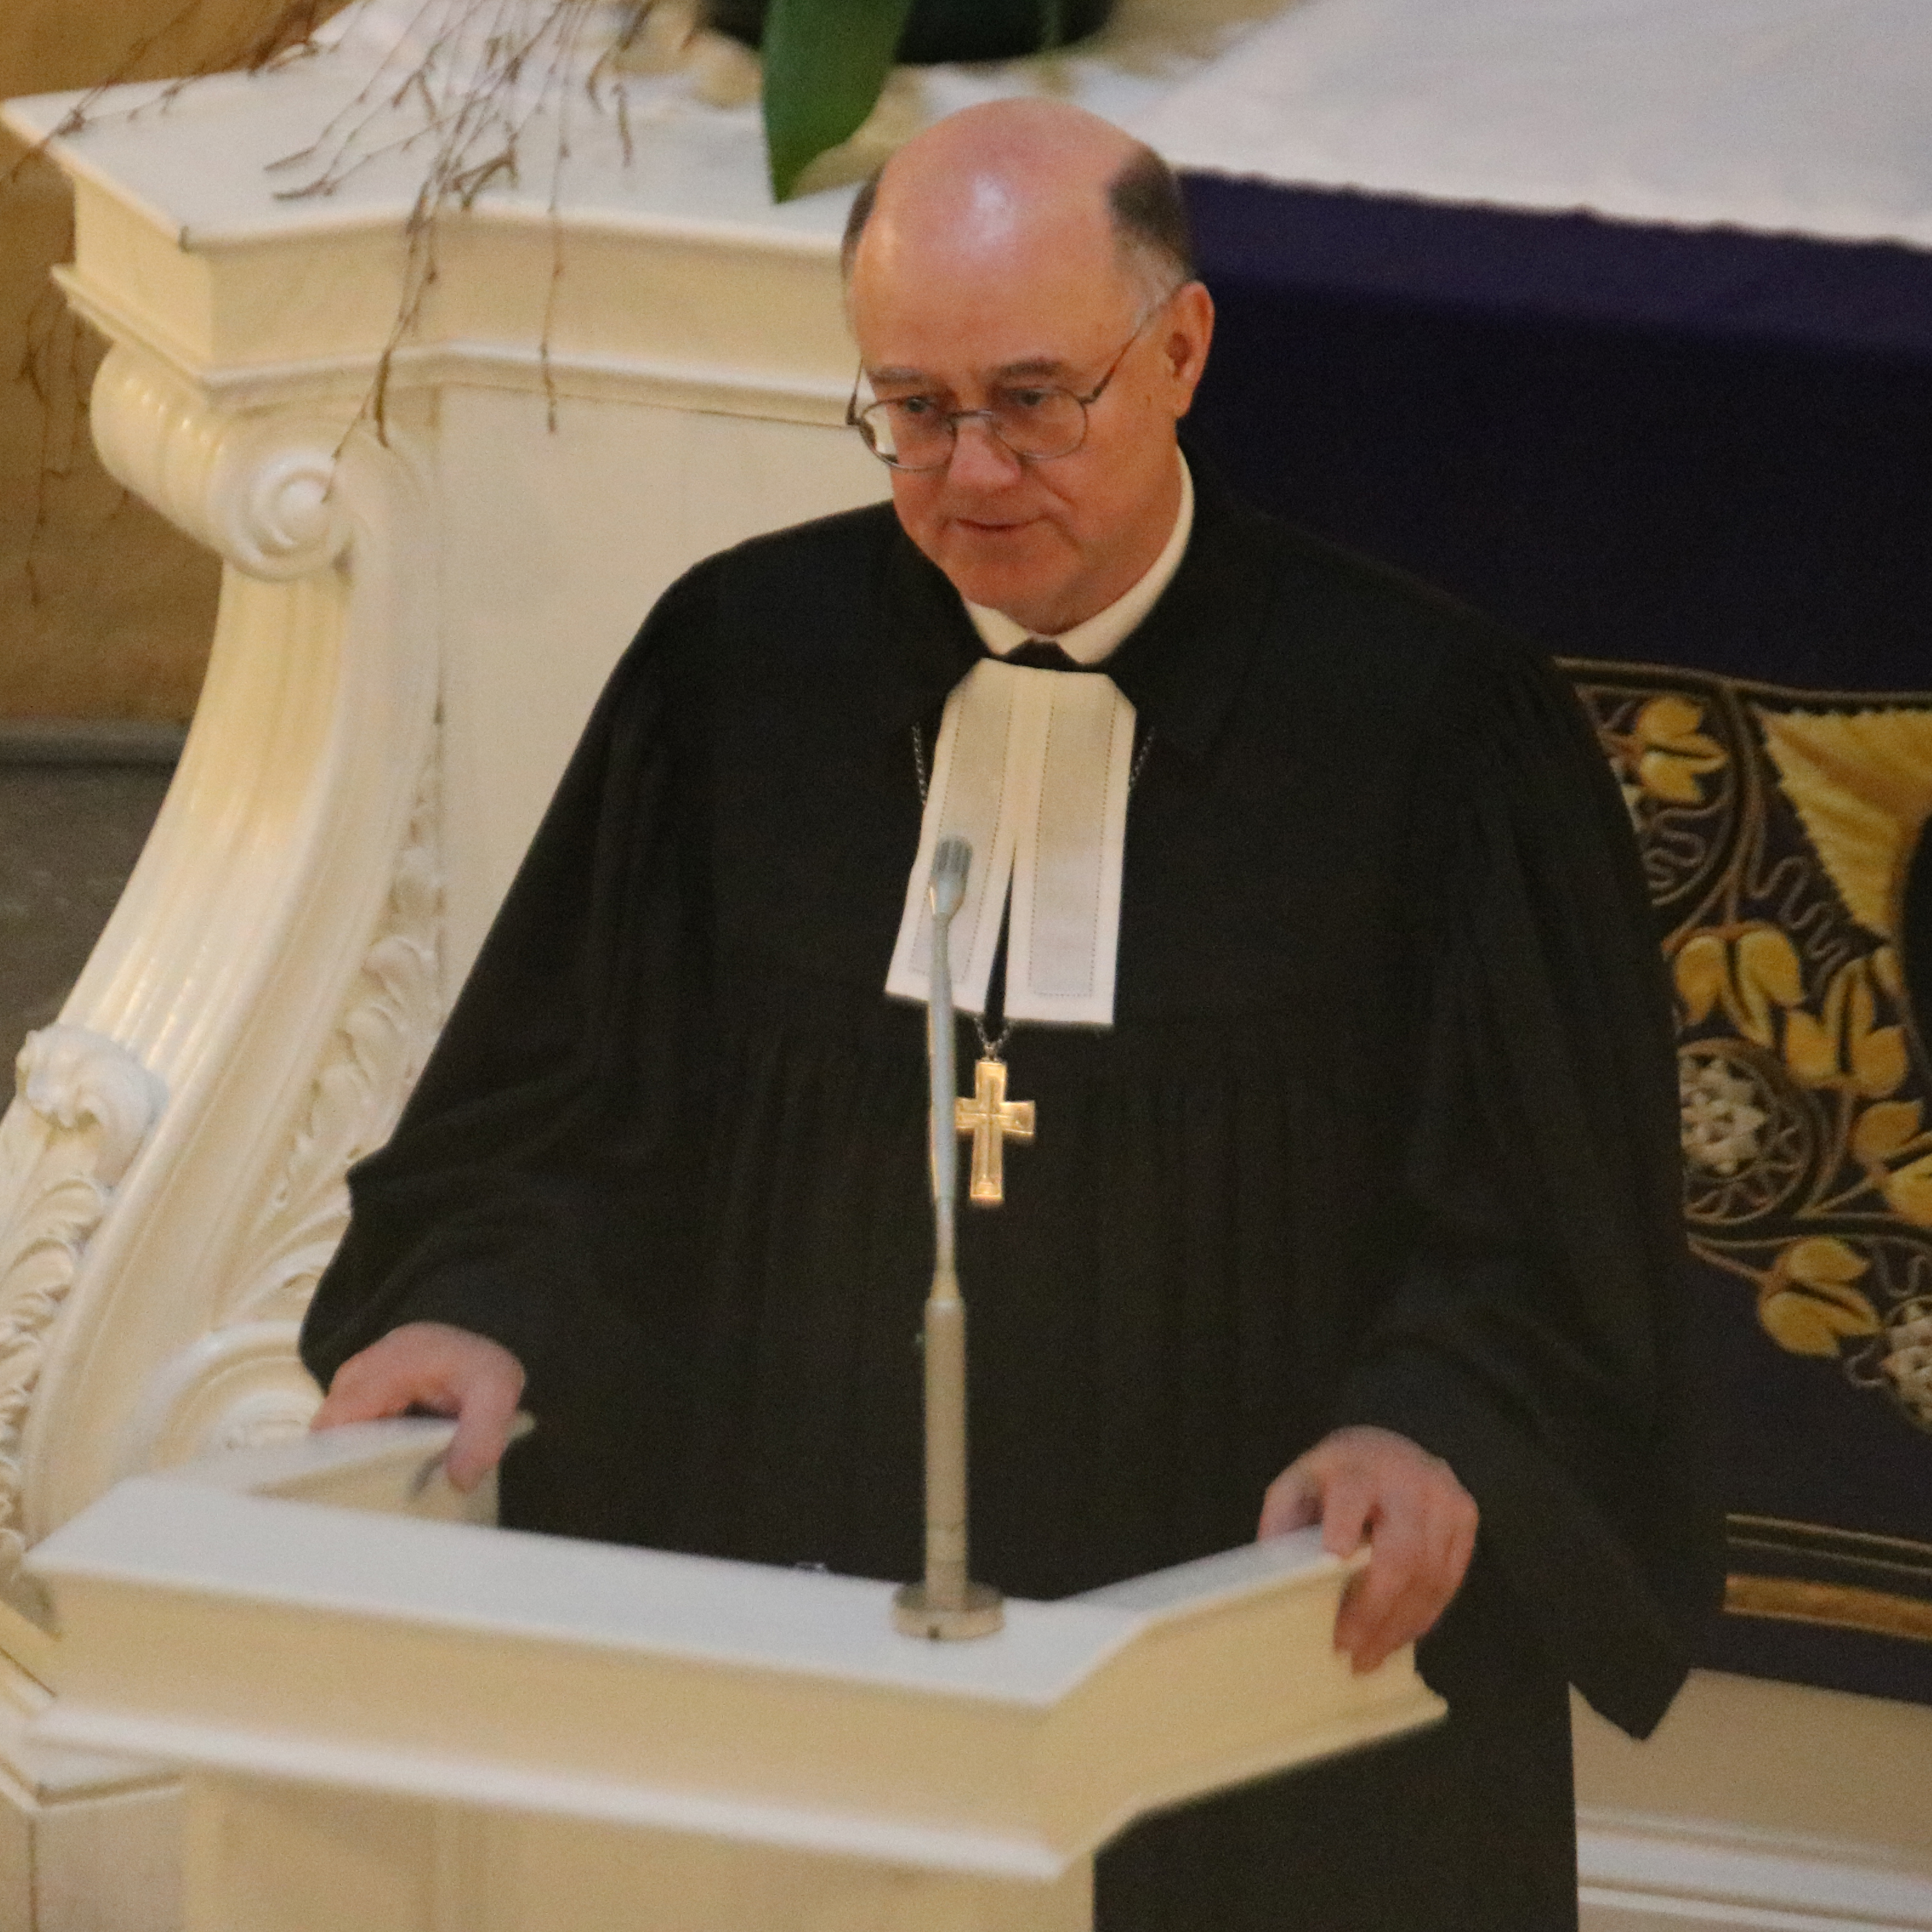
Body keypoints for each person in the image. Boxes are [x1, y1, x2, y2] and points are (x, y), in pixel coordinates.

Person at [302, 99, 1718, 1930]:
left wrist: (1429, 1425)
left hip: (1261, 1665)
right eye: (914, 406)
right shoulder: (737, 669)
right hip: (804, 1638)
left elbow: (1551, 1225)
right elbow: (560, 1105)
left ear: (1181, 351)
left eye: (1035, 400)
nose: (970, 471)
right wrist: (475, 1306)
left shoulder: (1433, 731)